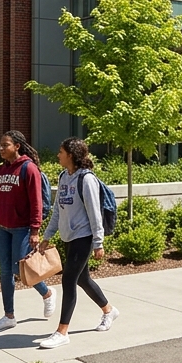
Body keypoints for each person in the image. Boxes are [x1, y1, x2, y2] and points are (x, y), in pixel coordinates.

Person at [36, 138, 119, 349]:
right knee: (83, 279)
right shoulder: (64, 176)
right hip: (68, 236)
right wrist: (47, 236)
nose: (58, 155)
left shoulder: (87, 179)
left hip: (84, 236)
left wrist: (98, 242)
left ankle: (62, 331)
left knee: (68, 279)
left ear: (70, 155)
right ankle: (109, 310)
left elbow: (94, 213)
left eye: (61, 151)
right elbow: (57, 210)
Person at [0, 130, 55, 331]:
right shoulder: (0, 170)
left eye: (5, 145)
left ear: (17, 146)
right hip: (4, 229)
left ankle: (47, 293)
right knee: (5, 272)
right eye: (0, 145)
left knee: (19, 269)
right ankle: (9, 316)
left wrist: (35, 230)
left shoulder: (29, 169)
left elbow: (36, 203)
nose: (1, 148)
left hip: (22, 229)